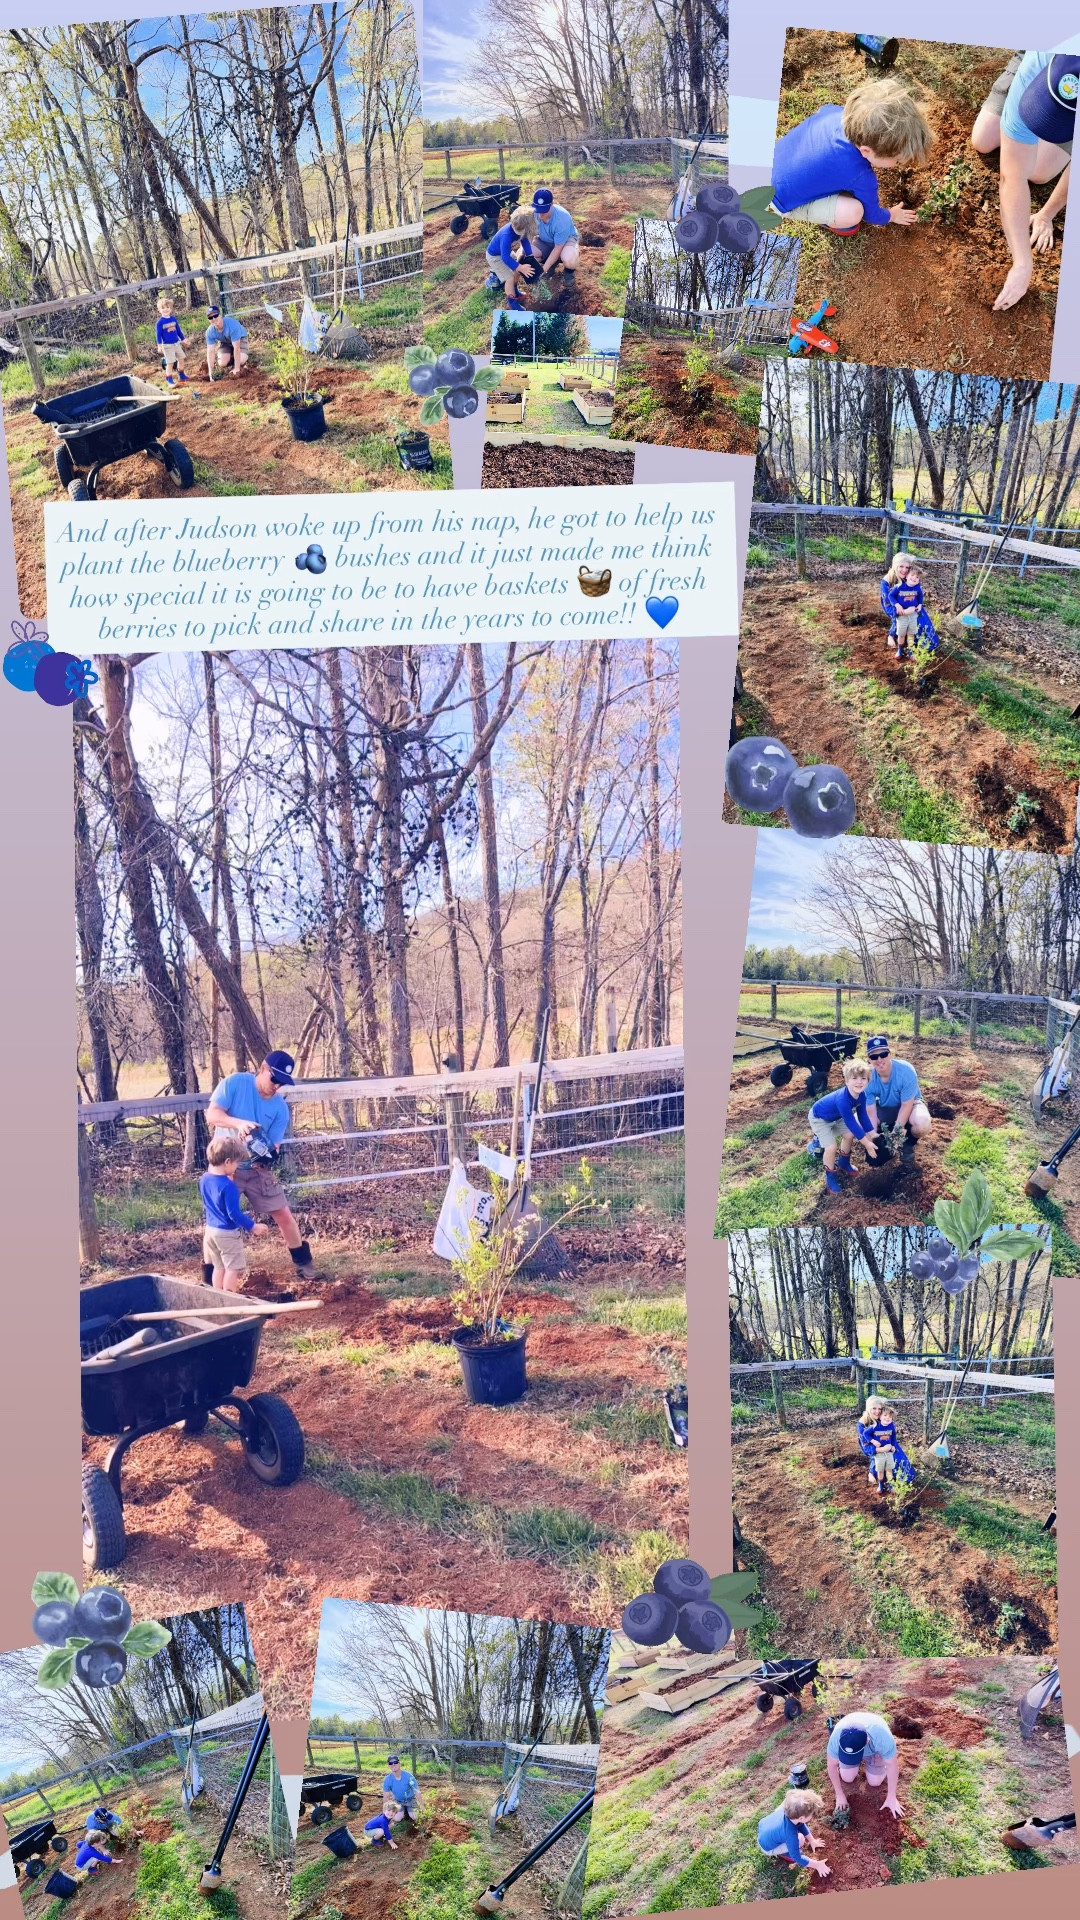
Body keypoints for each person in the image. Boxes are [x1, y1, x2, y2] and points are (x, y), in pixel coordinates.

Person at [971, 54, 1076, 312]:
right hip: (1046, 67)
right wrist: (1022, 262)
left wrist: (1046, 214)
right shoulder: (1038, 64)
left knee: (1039, 173)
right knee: (983, 140)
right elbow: (1011, 176)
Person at [205, 1051, 319, 1280]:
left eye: (282, 1083)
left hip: (256, 1169)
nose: (277, 1086)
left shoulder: (280, 1109)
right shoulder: (236, 1083)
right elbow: (213, 1115)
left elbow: (274, 1144)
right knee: (216, 1222)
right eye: (274, 1079)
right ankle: (208, 1275)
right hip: (224, 1167)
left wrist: (266, 1155)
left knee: (283, 1214)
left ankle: (303, 1263)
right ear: (263, 1069)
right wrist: (239, 1124)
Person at [770, 76, 932, 233]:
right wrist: (891, 215)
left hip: (771, 161)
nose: (898, 165)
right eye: (897, 161)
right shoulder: (860, 175)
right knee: (853, 212)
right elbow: (872, 214)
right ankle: (831, 222)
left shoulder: (835, 113)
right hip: (780, 200)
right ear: (866, 151)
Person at [199, 1133, 269, 1292]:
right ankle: (231, 1298)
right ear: (227, 1162)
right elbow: (233, 1214)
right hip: (227, 1233)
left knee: (219, 1266)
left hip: (210, 1230)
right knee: (232, 1268)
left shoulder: (204, 1179)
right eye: (237, 1163)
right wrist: (253, 1226)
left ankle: (217, 1296)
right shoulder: (228, 1187)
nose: (237, 1167)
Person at [808, 1057, 879, 1194]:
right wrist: (866, 1143)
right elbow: (851, 1122)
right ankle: (830, 1177)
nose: (859, 1082)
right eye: (854, 1078)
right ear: (846, 1081)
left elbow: (863, 1115)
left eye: (863, 1078)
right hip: (819, 1118)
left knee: (849, 1135)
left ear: (868, 1081)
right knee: (831, 1147)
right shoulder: (843, 1100)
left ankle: (843, 1163)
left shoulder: (862, 1095)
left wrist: (873, 1133)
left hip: (836, 1116)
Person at [864, 1034, 932, 1159]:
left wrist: (895, 1136)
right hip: (885, 1106)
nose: (879, 1059)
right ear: (869, 1059)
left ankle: (908, 1144)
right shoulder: (867, 1078)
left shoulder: (906, 1071)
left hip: (910, 1103)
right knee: (859, 1121)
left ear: (890, 1054)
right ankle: (882, 1138)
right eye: (874, 1056)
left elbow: (906, 1105)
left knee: (922, 1123)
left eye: (883, 1054)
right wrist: (872, 1139)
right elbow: (871, 1113)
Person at [826, 1713, 904, 1818]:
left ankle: (878, 1762)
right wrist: (839, 1795)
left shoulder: (882, 1738)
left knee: (875, 1782)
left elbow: (892, 1766)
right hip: (855, 1744)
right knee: (847, 1778)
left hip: (874, 1751)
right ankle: (853, 1760)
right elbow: (831, 1766)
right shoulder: (837, 1739)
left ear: (867, 1741)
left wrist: (891, 1797)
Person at [757, 1788, 832, 1879]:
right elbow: (798, 1858)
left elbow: (800, 1825)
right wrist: (817, 1865)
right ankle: (785, 1854)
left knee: (795, 1832)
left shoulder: (787, 1812)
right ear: (801, 1818)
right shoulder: (790, 1834)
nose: (812, 1816)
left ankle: (781, 1844)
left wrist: (812, 1840)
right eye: (811, 1814)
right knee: (800, 1839)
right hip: (767, 1847)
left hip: (765, 1827)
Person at [485, 207, 539, 310]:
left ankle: (515, 291)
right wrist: (520, 267)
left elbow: (524, 240)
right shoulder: (506, 235)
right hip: (495, 257)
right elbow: (505, 257)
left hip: (505, 253)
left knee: (516, 271)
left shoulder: (521, 229)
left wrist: (530, 255)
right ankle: (511, 303)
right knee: (509, 278)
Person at [858, 1399, 915, 1493]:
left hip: (888, 1447)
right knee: (880, 1469)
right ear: (868, 1409)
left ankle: (892, 1483)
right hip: (875, 1449)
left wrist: (892, 1447)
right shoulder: (863, 1424)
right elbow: (866, 1447)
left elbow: (892, 1436)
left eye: (879, 1409)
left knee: (901, 1465)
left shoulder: (886, 1418)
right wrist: (881, 1449)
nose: (877, 1411)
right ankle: (872, 1472)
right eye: (874, 1408)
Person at [527, 188, 580, 287]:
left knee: (569, 258)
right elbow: (528, 235)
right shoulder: (533, 213)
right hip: (545, 240)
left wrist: (543, 270)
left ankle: (569, 272)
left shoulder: (562, 218)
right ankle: (549, 263)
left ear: (552, 205)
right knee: (528, 253)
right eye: (538, 210)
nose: (540, 215)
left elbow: (557, 248)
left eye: (543, 211)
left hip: (565, 241)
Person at [888, 563, 925, 661]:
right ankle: (900, 650)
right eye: (912, 575)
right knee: (901, 634)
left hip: (913, 615)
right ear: (907, 575)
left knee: (911, 634)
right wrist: (897, 605)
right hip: (902, 615)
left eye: (917, 577)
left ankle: (910, 651)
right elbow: (890, 596)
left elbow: (920, 596)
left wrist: (920, 604)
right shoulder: (899, 586)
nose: (914, 578)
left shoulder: (917, 587)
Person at [205, 305, 250, 378]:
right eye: (210, 317)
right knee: (222, 363)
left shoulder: (232, 325)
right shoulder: (209, 332)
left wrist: (236, 368)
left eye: (215, 316)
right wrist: (211, 372)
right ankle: (231, 355)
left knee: (241, 361)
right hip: (225, 342)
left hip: (240, 338)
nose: (213, 319)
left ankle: (238, 357)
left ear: (220, 315)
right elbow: (210, 351)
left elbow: (237, 347)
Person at [155, 296, 189, 386]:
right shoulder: (160, 322)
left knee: (181, 359)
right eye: (163, 308)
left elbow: (178, 331)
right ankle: (169, 379)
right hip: (167, 346)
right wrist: (159, 346)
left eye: (167, 307)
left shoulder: (173, 319)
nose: (166, 309)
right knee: (170, 363)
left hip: (176, 344)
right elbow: (158, 335)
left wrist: (183, 339)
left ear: (170, 308)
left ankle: (181, 375)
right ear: (159, 310)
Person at [880, 553, 911, 648]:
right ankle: (891, 635)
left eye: (907, 567)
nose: (904, 570)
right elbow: (887, 603)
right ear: (895, 566)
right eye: (901, 566)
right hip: (890, 605)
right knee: (899, 616)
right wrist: (902, 610)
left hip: (904, 602)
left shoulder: (907, 577)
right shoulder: (886, 581)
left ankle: (908, 632)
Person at [382, 1754, 421, 1824]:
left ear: (399, 1764)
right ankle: (404, 1812)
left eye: (395, 1762)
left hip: (410, 1800)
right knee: (397, 1818)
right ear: (389, 1766)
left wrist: (422, 1805)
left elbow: (417, 1791)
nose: (393, 1764)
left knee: (415, 1817)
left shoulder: (409, 1776)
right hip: (399, 1801)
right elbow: (386, 1796)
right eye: (390, 1763)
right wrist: (385, 1811)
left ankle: (409, 1811)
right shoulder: (387, 1779)